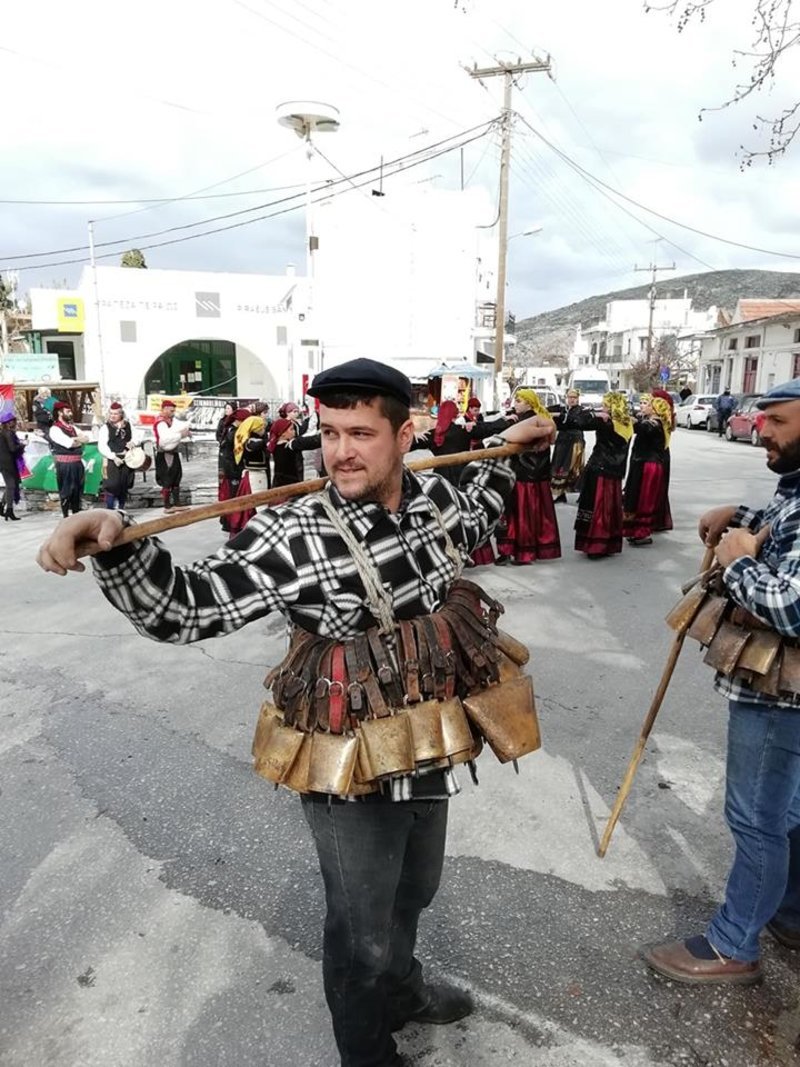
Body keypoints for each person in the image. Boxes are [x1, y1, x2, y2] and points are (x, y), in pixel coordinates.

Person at [36, 357, 554, 1067]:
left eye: (362, 433)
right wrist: (116, 545)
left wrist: (521, 448)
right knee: (360, 928)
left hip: (432, 744)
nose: (339, 450)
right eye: (331, 431)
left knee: (417, 889)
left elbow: (485, 503)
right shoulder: (295, 536)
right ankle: (366, 1049)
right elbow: (186, 608)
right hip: (351, 765)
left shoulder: (435, 502)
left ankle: (403, 988)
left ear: (406, 437)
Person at [642, 377, 800, 986]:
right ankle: (789, 914)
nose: (761, 428)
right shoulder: (795, 489)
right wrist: (739, 516)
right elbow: (784, 531)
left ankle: (733, 945)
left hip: (781, 696)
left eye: (778, 420)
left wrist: (737, 560)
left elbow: (792, 605)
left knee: (757, 818)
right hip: (783, 693)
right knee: (788, 809)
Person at [495, 388, 560, 566]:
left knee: (520, 514)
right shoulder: (534, 418)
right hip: (532, 474)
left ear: (529, 403)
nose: (515, 404)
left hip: (525, 474)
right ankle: (519, 551)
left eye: (519, 401)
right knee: (524, 514)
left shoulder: (531, 421)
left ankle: (521, 553)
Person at [573, 392, 632, 559]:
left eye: (606, 404)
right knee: (610, 507)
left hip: (600, 468)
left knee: (597, 506)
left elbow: (580, 421)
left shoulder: (605, 422)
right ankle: (607, 543)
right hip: (615, 471)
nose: (603, 407)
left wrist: (594, 413)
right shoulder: (625, 422)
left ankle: (595, 544)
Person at [623, 394, 672, 547]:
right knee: (635, 497)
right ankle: (633, 531)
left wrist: (624, 417)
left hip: (649, 467)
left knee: (645, 499)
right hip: (642, 464)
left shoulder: (655, 424)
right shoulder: (652, 422)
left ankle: (641, 532)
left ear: (656, 409)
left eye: (650, 404)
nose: (646, 406)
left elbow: (640, 427)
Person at [49, 401, 90, 518]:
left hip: (77, 463)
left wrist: (77, 439)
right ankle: (66, 516)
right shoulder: (55, 429)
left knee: (77, 491)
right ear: (60, 413)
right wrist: (77, 440)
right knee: (67, 491)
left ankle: (76, 516)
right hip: (65, 464)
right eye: (68, 411)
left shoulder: (72, 428)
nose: (71, 413)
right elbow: (71, 443)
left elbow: (86, 438)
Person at [550, 388, 587, 504]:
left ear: (578, 399)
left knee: (572, 468)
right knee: (559, 467)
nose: (571, 400)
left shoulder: (581, 411)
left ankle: (583, 495)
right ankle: (560, 493)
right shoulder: (562, 408)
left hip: (575, 442)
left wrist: (561, 416)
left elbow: (578, 422)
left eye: (574, 398)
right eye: (570, 397)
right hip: (562, 441)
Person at [153, 400, 190, 513]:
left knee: (176, 477)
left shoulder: (171, 421)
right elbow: (165, 439)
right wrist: (180, 434)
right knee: (167, 479)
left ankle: (177, 503)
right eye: (171, 410)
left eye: (174, 410)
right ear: (164, 409)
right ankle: (167, 506)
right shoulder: (161, 423)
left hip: (173, 452)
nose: (173, 412)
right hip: (165, 453)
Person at [97, 402, 135, 510]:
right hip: (112, 459)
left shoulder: (128, 425)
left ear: (121, 414)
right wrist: (113, 457)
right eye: (111, 413)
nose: (113, 416)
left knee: (124, 485)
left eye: (116, 414)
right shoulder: (105, 428)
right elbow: (102, 445)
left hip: (127, 458)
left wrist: (133, 442)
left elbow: (137, 436)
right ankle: (110, 510)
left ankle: (121, 510)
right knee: (112, 485)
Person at [0, 412, 26, 521]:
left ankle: (1, 506)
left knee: (12, 485)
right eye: (13, 421)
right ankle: (9, 510)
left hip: (4, 463)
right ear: (8, 423)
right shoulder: (8, 433)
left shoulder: (3, 433)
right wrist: (23, 444)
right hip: (8, 463)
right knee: (11, 486)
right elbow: (13, 448)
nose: (14, 423)